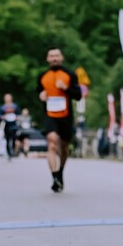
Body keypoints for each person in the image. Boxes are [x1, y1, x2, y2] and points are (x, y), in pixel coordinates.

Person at [35, 48, 82, 192]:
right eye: (51, 56)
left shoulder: (70, 74)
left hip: (66, 116)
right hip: (50, 115)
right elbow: (38, 91)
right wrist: (41, 95)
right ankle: (54, 177)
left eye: (56, 56)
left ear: (62, 58)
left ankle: (60, 171)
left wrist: (66, 88)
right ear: (47, 59)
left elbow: (78, 95)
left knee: (64, 147)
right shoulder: (43, 76)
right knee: (52, 142)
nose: (54, 58)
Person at [0, 93, 21, 160]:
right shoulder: (2, 107)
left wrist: (17, 117)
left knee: (14, 138)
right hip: (6, 124)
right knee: (7, 139)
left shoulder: (15, 106)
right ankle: (9, 153)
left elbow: (19, 114)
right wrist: (2, 117)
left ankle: (13, 150)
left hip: (14, 125)